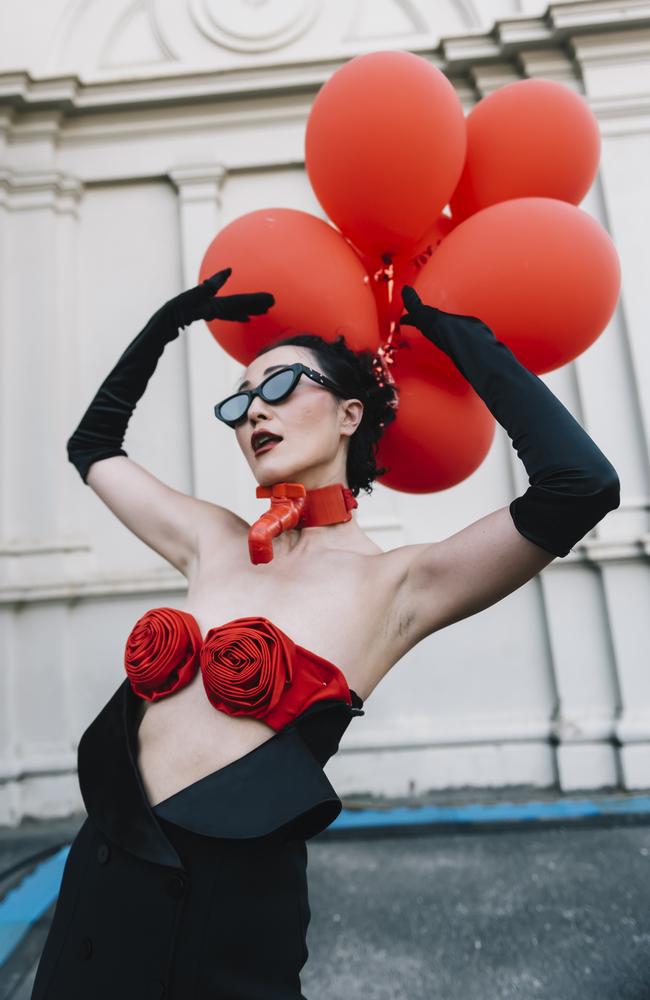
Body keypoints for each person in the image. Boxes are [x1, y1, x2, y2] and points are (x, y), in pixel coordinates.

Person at [31, 268, 620, 999]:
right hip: (100, 883)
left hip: (221, 921)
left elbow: (580, 485)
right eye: (239, 399)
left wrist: (459, 338)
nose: (253, 411)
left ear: (348, 415)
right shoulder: (211, 540)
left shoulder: (399, 585)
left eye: (279, 386)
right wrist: (166, 326)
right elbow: (94, 448)